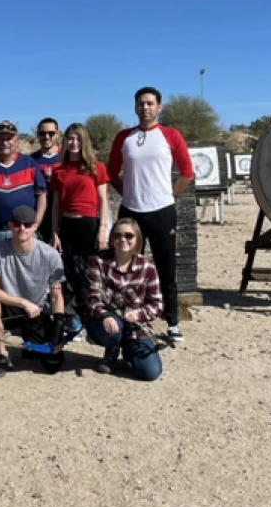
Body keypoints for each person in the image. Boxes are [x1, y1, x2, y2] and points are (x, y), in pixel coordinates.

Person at [107, 87, 194, 342]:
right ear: (135, 108)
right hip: (131, 212)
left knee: (166, 267)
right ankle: (126, 317)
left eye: (150, 103)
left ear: (159, 107)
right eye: (141, 104)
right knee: (125, 266)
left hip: (162, 212)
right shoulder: (124, 137)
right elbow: (112, 173)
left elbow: (187, 172)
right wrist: (129, 194)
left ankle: (173, 323)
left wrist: (170, 196)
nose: (145, 108)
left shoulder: (170, 135)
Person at [0, 205, 67, 378]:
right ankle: (2, 356)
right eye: (17, 224)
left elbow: (57, 293)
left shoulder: (50, 254)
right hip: (9, 305)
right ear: (10, 225)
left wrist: (59, 327)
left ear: (35, 226)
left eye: (27, 224)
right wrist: (22, 302)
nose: (22, 228)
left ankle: (33, 344)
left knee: (52, 365)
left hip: (37, 311)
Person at [85, 218, 164, 381]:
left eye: (129, 236)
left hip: (136, 328)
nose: (123, 240)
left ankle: (129, 351)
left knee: (151, 373)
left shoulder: (148, 266)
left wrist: (139, 314)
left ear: (138, 240)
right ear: (112, 238)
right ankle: (111, 350)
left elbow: (157, 305)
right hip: (106, 322)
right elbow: (93, 298)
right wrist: (105, 315)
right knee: (114, 329)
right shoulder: (97, 261)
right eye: (118, 235)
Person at [50, 122, 110, 325]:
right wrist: (55, 232)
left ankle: (95, 315)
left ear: (84, 142)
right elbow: (56, 205)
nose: (74, 143)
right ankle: (74, 316)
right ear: (65, 142)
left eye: (78, 139)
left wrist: (102, 230)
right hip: (67, 225)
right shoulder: (59, 170)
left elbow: (104, 201)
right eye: (70, 139)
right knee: (69, 272)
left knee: (91, 271)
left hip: (89, 225)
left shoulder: (96, 168)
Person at [0, 119, 47, 250]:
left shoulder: (29, 164)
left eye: (9, 139)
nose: (5, 143)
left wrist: (37, 222)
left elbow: (42, 195)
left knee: (27, 270)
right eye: (1, 138)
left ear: (17, 142)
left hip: (25, 232)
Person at [31, 117, 63, 244]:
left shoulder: (65, 158)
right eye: (42, 133)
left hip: (62, 216)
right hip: (38, 217)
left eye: (51, 133)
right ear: (38, 135)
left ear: (58, 134)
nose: (47, 137)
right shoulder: (31, 161)